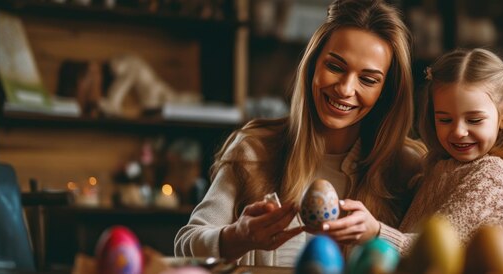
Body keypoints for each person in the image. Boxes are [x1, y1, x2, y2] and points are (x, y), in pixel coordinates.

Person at [174, 0, 426, 266]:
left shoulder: (407, 167)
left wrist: (378, 233)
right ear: (313, 64)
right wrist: (239, 235)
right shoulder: (254, 149)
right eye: (336, 67)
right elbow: (184, 246)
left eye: (368, 79)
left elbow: (443, 256)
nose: (345, 88)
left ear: (386, 92)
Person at [387, 48, 503, 253]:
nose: (458, 131)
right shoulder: (438, 168)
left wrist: (377, 233)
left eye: (474, 120)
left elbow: (436, 251)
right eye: (445, 120)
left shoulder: (492, 176)